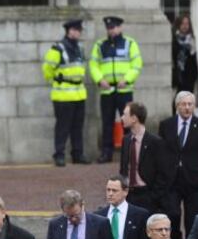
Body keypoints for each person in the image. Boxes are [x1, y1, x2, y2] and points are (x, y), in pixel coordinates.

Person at [159, 90, 198, 239]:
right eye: (183, 104)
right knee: (172, 215)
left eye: (190, 104)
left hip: (194, 179)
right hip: (171, 180)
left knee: (193, 220)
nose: (187, 107)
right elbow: (159, 151)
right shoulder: (166, 125)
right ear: (177, 106)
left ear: (194, 106)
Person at [90, 15, 143, 163]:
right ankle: (106, 153)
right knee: (107, 123)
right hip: (106, 90)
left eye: (113, 27)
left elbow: (137, 64)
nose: (111, 31)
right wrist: (100, 80)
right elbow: (93, 65)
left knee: (128, 122)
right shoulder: (100, 45)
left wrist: (126, 79)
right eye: (108, 28)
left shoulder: (129, 43)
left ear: (120, 27)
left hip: (124, 90)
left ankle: (129, 153)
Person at [43, 19, 90, 167]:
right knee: (62, 127)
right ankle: (59, 155)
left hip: (79, 94)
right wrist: (57, 80)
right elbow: (47, 70)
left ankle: (77, 154)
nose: (77, 33)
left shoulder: (80, 48)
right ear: (68, 31)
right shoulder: (58, 49)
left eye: (79, 30)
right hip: (63, 95)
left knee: (78, 127)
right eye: (75, 30)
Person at [120, 101, 175, 217]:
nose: (122, 118)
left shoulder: (155, 142)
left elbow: (164, 173)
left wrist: (153, 196)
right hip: (129, 195)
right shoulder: (126, 140)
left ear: (134, 118)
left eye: (125, 115)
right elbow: (123, 169)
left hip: (147, 196)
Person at [171, 14, 198, 96]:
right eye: (183, 24)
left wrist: (195, 78)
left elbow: (194, 59)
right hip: (177, 75)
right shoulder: (173, 39)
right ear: (178, 25)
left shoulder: (191, 40)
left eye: (187, 24)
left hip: (189, 75)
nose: (185, 26)